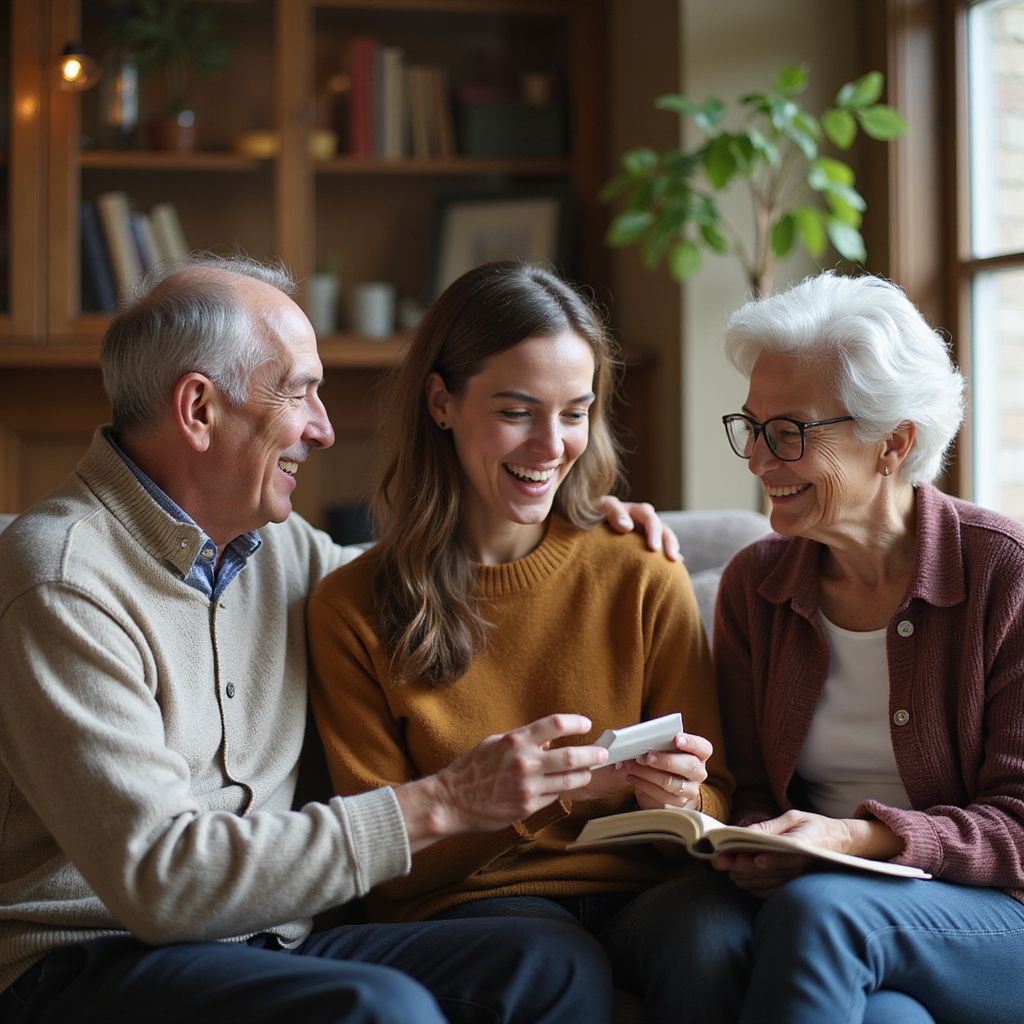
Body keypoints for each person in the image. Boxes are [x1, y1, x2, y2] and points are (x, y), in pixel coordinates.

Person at [0, 254, 679, 1024]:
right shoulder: (63, 578)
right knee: (377, 1010)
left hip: (265, 945)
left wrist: (590, 526)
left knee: (549, 965)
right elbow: (164, 884)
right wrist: (447, 801)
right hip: (93, 959)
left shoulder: (283, 553)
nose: (323, 429)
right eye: (300, 392)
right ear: (198, 409)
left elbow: (427, 579)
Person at [307, 260, 734, 1018]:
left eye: (575, 412)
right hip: (473, 907)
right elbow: (384, 868)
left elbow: (719, 799)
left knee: (712, 939)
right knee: (551, 956)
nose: (550, 445)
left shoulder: (642, 572)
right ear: (441, 401)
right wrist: (536, 797)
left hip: (645, 890)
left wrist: (686, 798)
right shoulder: (352, 608)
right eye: (516, 411)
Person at [671, 271, 1024, 1024]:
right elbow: (756, 785)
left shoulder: (1004, 573)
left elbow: (1021, 827)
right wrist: (763, 844)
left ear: (893, 443)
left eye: (790, 432)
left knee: (824, 914)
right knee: (710, 936)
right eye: (752, 428)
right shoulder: (756, 584)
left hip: (995, 914)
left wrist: (856, 839)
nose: (759, 461)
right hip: (834, 904)